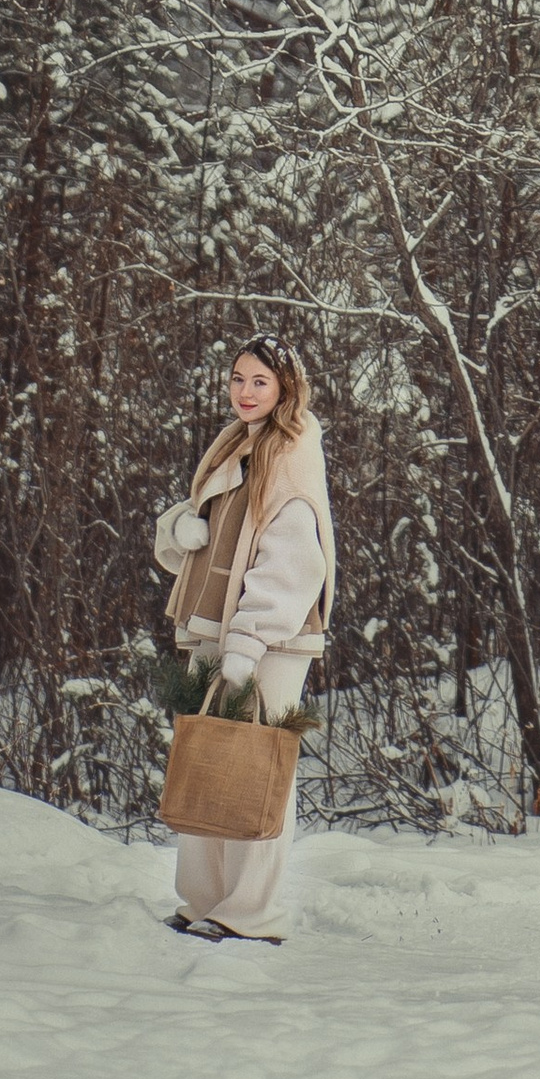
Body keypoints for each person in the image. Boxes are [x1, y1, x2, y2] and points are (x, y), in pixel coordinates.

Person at [152, 330, 336, 943]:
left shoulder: (290, 451)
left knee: (257, 769)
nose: (246, 391)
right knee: (206, 756)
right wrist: (182, 528)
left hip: (268, 640)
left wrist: (248, 643)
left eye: (260, 380)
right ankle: (203, 900)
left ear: (285, 386)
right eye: (238, 378)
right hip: (215, 626)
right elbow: (212, 525)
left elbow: (294, 561)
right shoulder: (236, 442)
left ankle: (252, 912)